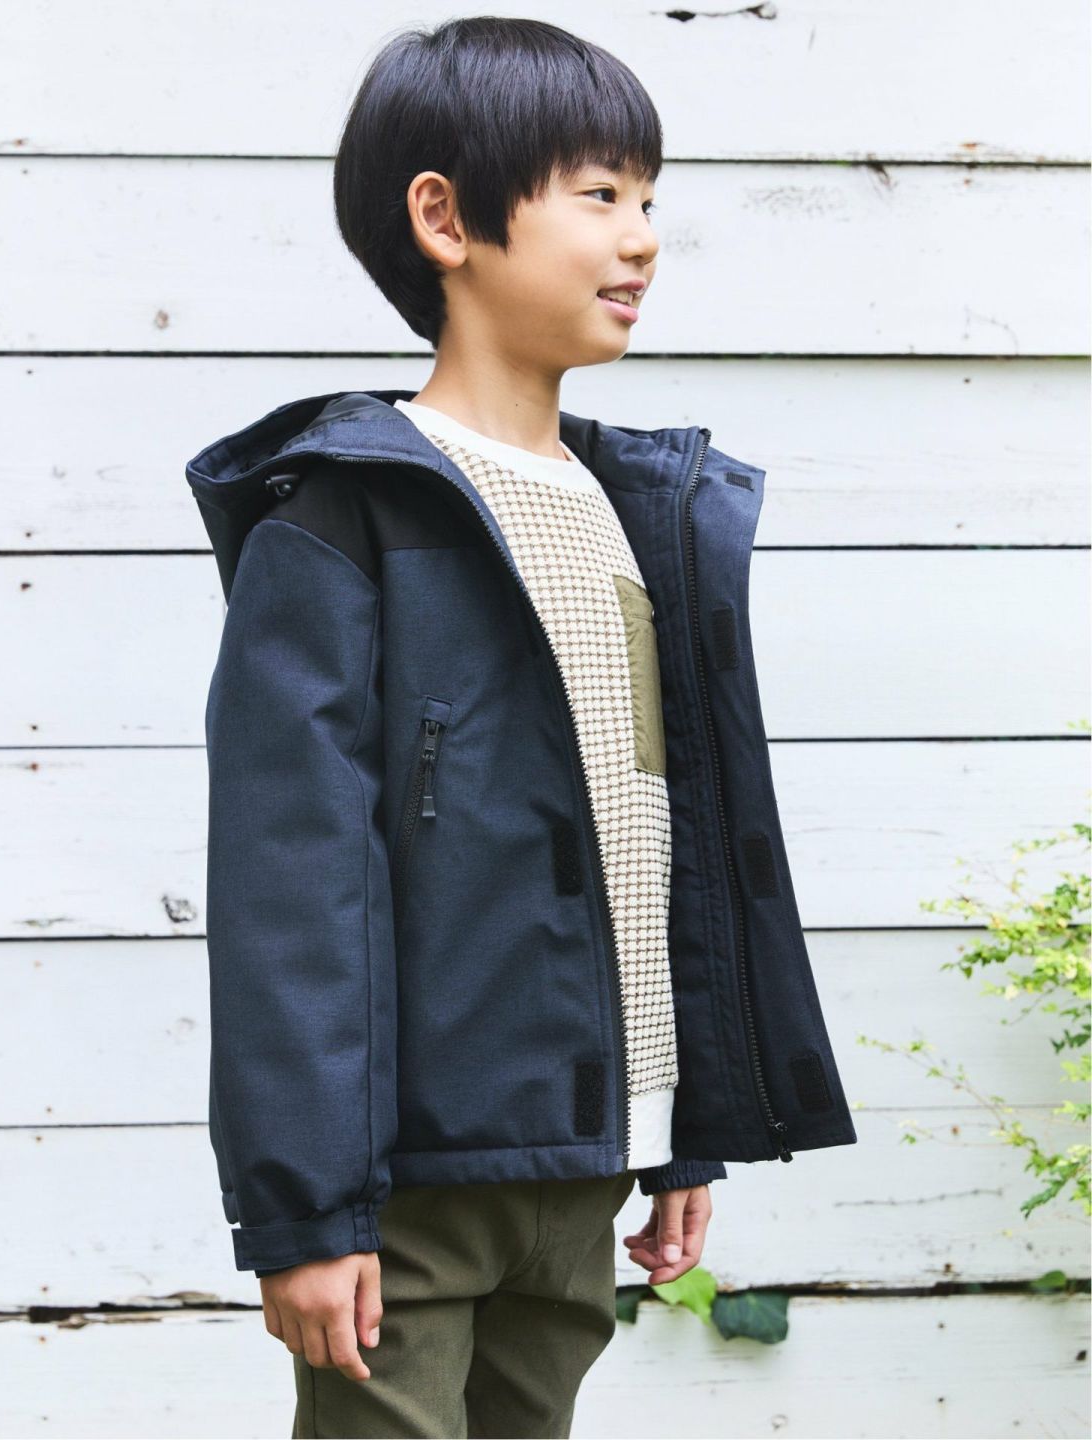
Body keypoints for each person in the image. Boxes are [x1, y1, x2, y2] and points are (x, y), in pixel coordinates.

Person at [185, 16, 857, 1438]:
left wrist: (688, 1125)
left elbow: (659, 839)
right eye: (599, 194)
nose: (643, 238)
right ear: (446, 219)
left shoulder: (640, 515)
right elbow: (294, 886)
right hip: (411, 1186)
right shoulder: (347, 519)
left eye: (650, 198)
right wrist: (308, 1207)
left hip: (588, 1159)